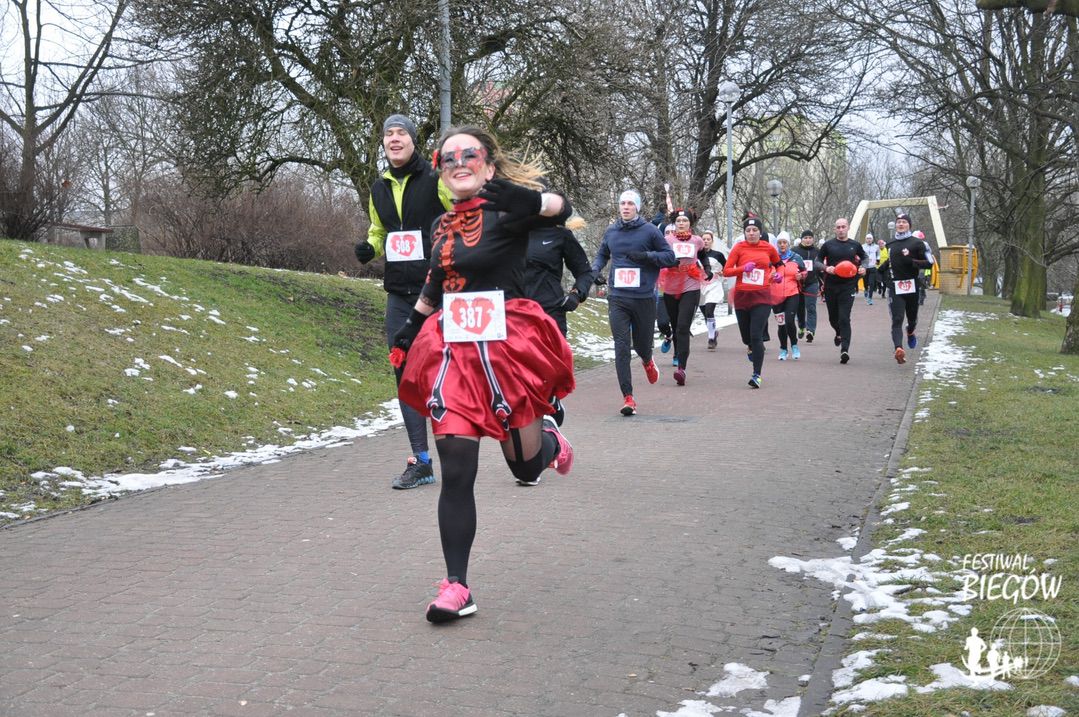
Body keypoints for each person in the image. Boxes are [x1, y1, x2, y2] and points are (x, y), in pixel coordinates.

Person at [390, 126, 576, 622]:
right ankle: (457, 586)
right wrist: (410, 329)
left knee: (525, 469)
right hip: (453, 353)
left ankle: (550, 443)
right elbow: (437, 280)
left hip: (506, 350)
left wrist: (531, 200)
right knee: (456, 469)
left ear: (489, 166)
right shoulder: (442, 224)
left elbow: (562, 208)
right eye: (447, 157)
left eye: (469, 154)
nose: (458, 161)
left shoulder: (509, 211)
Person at [354, 114, 453, 490]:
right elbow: (379, 230)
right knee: (405, 374)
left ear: (413, 140)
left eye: (401, 133)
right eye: (388, 134)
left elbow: (461, 210)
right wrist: (370, 248)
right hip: (398, 294)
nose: (394, 139)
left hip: (438, 291)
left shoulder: (435, 179)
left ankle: (456, 451)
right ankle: (421, 461)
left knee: (444, 373)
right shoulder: (378, 187)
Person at [591, 190, 677, 415]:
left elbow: (670, 258)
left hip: (643, 297)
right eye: (622, 203)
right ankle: (628, 398)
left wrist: (647, 256)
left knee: (641, 345)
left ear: (637, 207)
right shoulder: (612, 231)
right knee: (621, 346)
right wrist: (595, 270)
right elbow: (602, 255)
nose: (626, 207)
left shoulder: (649, 231)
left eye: (630, 203)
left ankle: (647, 359)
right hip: (618, 297)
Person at [723, 216, 782, 388]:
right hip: (742, 296)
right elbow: (727, 271)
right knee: (747, 337)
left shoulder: (768, 248)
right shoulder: (739, 248)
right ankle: (750, 346)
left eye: (755, 230)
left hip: (762, 296)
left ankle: (757, 374)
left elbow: (779, 264)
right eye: (748, 230)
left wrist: (778, 274)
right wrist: (743, 269)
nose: (751, 233)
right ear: (744, 233)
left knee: (756, 335)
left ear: (760, 232)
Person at [658, 208, 708, 385]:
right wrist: (669, 262)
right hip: (671, 285)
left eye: (685, 221)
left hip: (691, 283)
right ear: (675, 223)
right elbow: (661, 257)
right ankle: (677, 354)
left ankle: (681, 369)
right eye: (678, 221)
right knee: (675, 325)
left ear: (690, 223)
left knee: (683, 327)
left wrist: (708, 269)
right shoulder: (667, 240)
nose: (681, 223)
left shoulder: (697, 241)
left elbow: (703, 256)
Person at [524, 218, 594, 337]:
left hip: (550, 314)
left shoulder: (560, 235)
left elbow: (584, 272)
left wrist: (576, 294)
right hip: (514, 316)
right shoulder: (507, 234)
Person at [879, 213, 931, 364]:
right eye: (899, 222)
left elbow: (929, 263)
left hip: (912, 286)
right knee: (897, 319)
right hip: (895, 287)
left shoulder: (917, 243)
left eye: (904, 222)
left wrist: (912, 261)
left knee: (912, 319)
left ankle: (910, 331)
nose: (901, 224)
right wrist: (880, 274)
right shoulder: (890, 244)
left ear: (909, 225)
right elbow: (890, 262)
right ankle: (898, 349)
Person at [818, 217, 868, 364]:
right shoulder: (828, 245)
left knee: (844, 318)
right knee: (833, 318)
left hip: (848, 286)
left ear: (848, 228)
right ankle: (838, 332)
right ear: (835, 229)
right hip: (831, 286)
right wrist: (826, 268)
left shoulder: (855, 245)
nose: (841, 230)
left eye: (843, 227)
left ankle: (844, 350)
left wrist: (863, 267)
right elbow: (817, 261)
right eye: (838, 227)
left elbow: (865, 258)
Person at [772, 233, 806, 360]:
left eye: (784, 242)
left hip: (792, 293)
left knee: (790, 321)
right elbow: (767, 272)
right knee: (781, 324)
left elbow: (804, 272)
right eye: (780, 242)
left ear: (788, 243)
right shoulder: (772, 258)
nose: (782, 245)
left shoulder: (796, 257)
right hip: (776, 295)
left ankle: (794, 345)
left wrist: (801, 276)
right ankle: (783, 349)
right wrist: (771, 276)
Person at [698, 230, 727, 350]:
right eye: (703, 239)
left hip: (714, 284)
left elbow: (727, 267)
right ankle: (713, 332)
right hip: (700, 285)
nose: (705, 241)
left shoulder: (718, 255)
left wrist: (723, 272)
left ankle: (711, 338)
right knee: (705, 312)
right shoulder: (696, 254)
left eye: (708, 239)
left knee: (710, 311)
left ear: (712, 241)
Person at [791, 229, 820, 342]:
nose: (808, 240)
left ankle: (810, 331)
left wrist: (823, 282)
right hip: (797, 283)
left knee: (811, 307)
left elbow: (821, 266)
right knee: (799, 307)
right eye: (805, 238)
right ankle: (802, 326)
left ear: (813, 239)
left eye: (810, 238)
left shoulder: (817, 251)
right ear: (801, 239)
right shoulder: (795, 251)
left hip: (812, 283)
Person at [862, 232, 881, 305]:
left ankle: (870, 298)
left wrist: (878, 260)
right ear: (865, 239)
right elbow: (860, 255)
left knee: (871, 283)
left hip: (873, 267)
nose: (869, 240)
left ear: (872, 239)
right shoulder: (862, 246)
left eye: (870, 238)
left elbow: (878, 254)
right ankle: (866, 289)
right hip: (865, 267)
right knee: (865, 282)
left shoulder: (876, 247)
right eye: (867, 238)